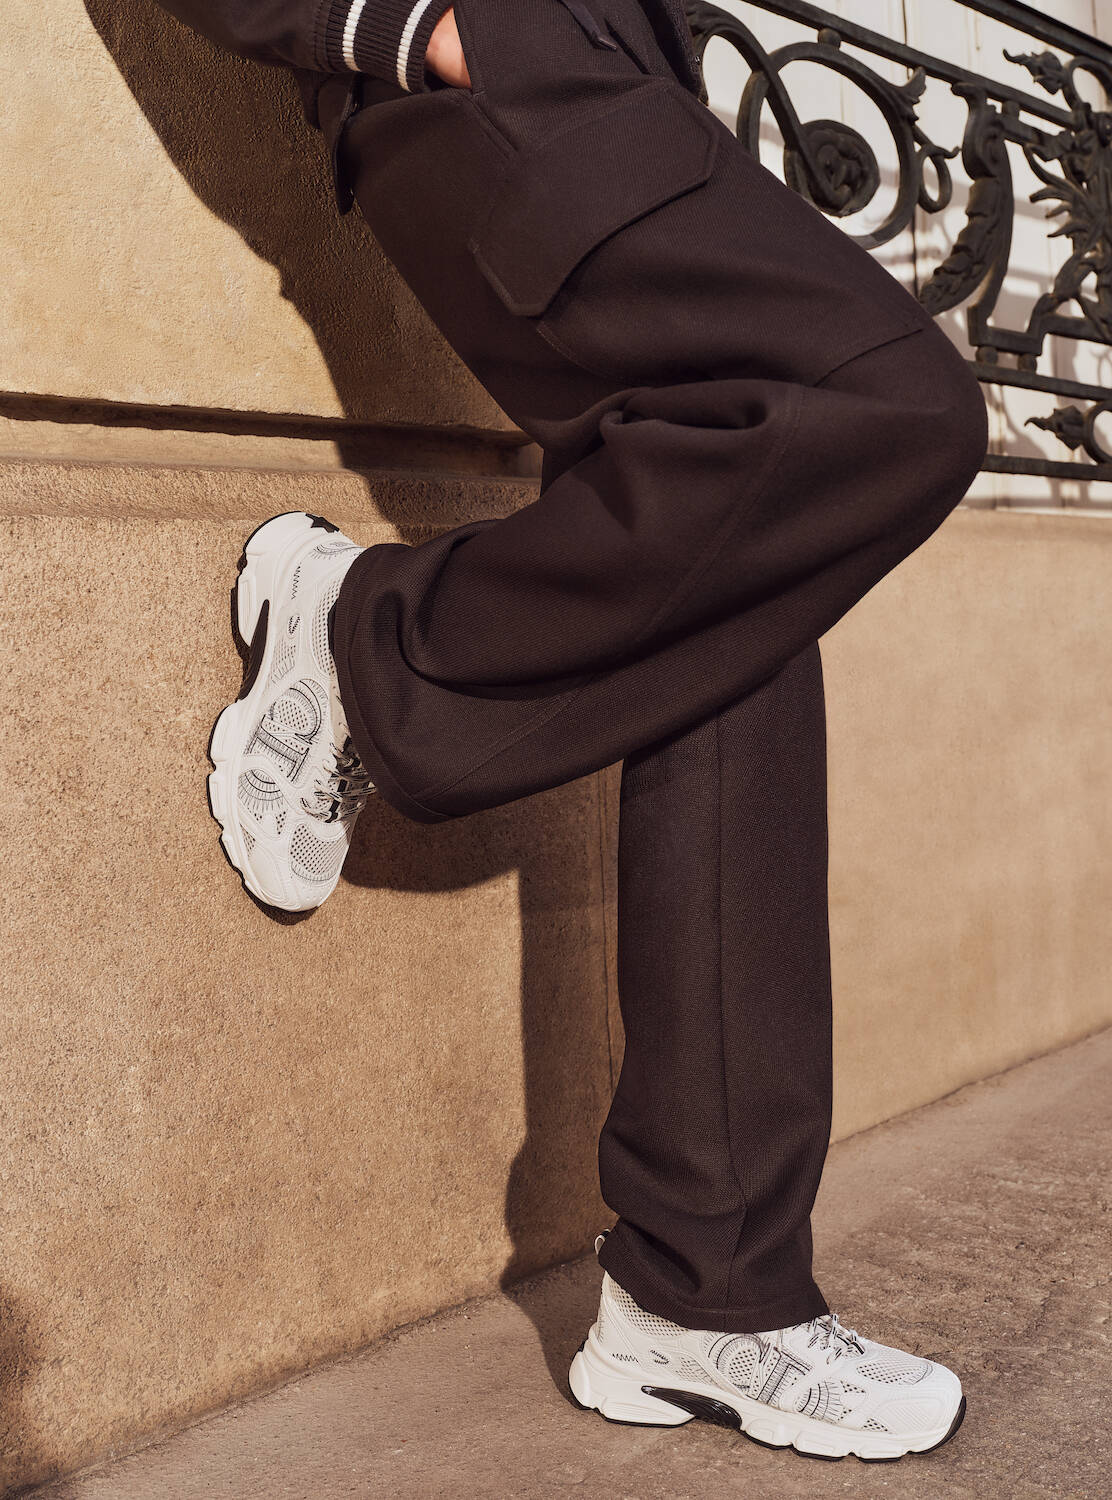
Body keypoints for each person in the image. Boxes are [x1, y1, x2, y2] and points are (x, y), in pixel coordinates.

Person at [163, 0, 987, 1462]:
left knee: (731, 603)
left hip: (607, 71)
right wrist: (404, 25)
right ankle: (377, 647)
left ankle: (703, 1293)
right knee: (893, 403)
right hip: (511, 57)